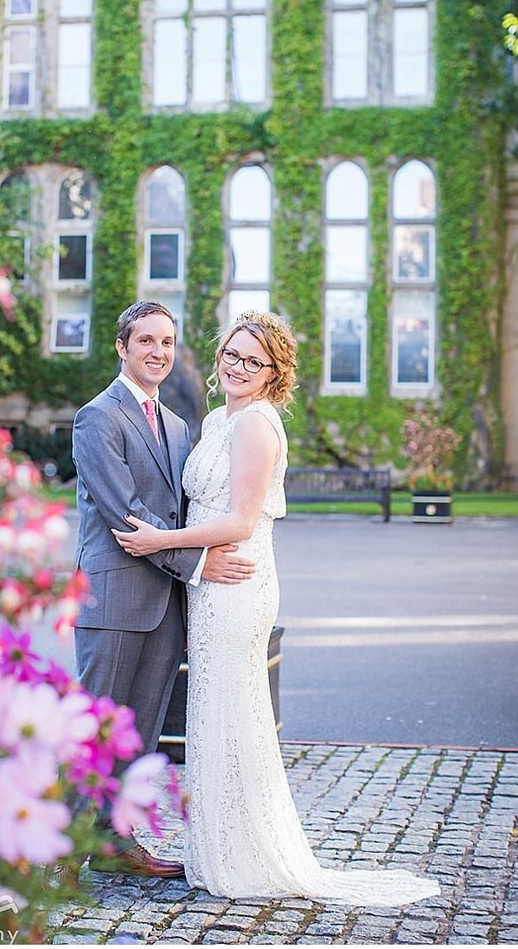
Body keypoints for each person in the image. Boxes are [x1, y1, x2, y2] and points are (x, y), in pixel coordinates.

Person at [113, 311, 439, 905]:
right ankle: (218, 848)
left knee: (235, 713)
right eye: (231, 355)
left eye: (253, 360)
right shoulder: (216, 419)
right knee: (212, 715)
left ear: (273, 373)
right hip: (208, 584)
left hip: (239, 585)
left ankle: (247, 856)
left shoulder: (259, 425)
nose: (238, 367)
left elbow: (240, 519)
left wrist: (160, 541)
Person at [71, 301, 256, 877]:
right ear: (122, 347)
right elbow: (129, 521)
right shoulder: (97, 417)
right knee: (96, 728)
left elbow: (184, 511)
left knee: (141, 732)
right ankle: (57, 853)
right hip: (116, 598)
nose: (158, 352)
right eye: (146, 340)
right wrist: (201, 563)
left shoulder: (178, 427)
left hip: (166, 604)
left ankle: (116, 843)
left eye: (167, 342)